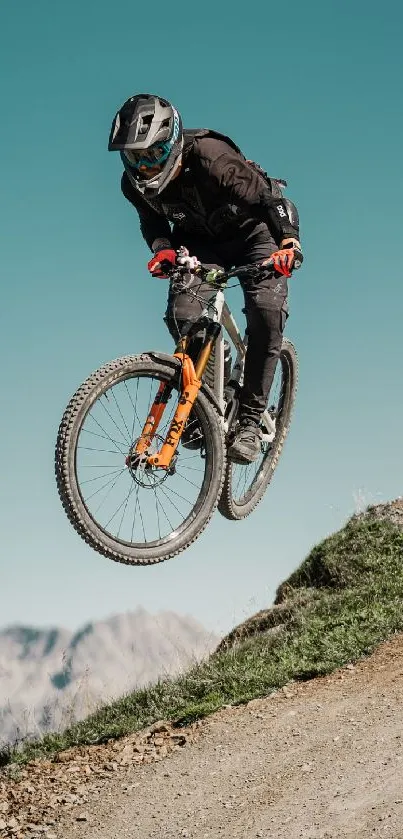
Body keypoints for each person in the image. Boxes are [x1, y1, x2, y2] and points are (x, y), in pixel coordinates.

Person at [108, 93, 303, 463]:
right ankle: (208, 395)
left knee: (265, 313)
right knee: (183, 317)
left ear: (172, 140)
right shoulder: (132, 184)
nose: (144, 167)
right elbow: (151, 222)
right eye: (135, 157)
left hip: (255, 236)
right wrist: (162, 248)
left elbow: (272, 201)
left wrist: (288, 243)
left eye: (152, 155)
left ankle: (248, 420)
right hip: (200, 243)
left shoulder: (212, 158)